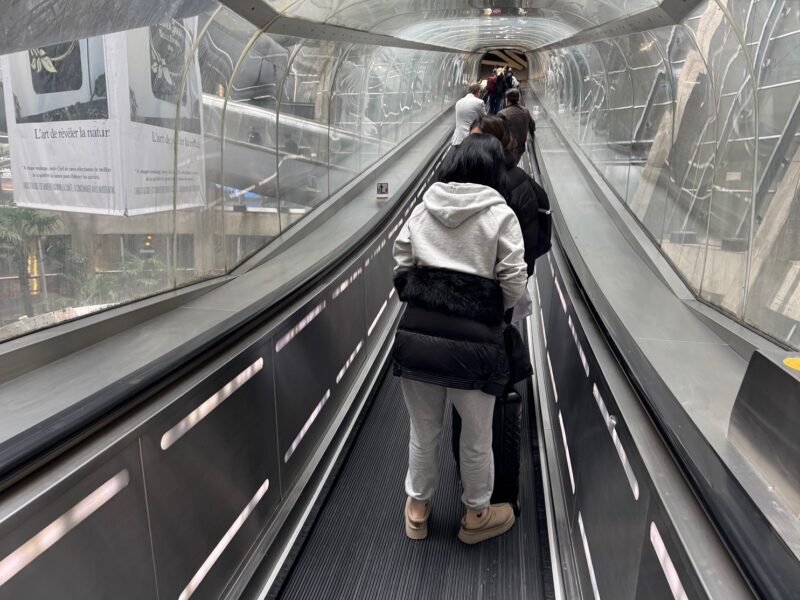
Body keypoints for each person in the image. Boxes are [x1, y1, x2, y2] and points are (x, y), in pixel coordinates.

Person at [392, 134, 527, 544]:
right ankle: (476, 516)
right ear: (493, 171)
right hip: (476, 346)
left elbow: (401, 262)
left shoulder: (422, 209)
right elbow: (514, 282)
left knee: (423, 428)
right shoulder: (500, 216)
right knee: (476, 434)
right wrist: (486, 307)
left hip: (417, 340)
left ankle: (417, 511)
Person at [470, 115, 550, 321]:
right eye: (470, 140)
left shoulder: (516, 185)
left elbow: (527, 247)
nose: (473, 146)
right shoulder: (467, 178)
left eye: (480, 140)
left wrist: (505, 298)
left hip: (496, 295)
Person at [498, 88, 536, 164]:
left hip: (506, 149)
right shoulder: (525, 111)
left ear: (507, 100)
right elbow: (532, 126)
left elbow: (498, 132)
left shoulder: (502, 113)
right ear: (518, 99)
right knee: (514, 165)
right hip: (520, 148)